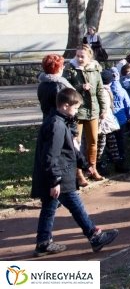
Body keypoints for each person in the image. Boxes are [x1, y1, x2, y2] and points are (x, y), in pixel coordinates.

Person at [30, 88, 119, 257]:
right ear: (65, 106)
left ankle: (43, 242)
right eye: (75, 108)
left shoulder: (60, 122)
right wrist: (54, 180)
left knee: (49, 207)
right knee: (76, 206)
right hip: (60, 175)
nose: (77, 111)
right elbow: (50, 156)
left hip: (58, 173)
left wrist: (85, 164)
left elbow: (69, 149)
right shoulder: (56, 125)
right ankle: (94, 235)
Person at [64, 44, 107, 183]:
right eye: (78, 56)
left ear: (89, 57)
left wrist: (104, 108)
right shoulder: (70, 69)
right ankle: (79, 174)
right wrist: (80, 87)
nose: (80, 58)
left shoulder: (95, 70)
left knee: (93, 142)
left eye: (83, 56)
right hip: (76, 111)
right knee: (75, 143)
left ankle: (92, 169)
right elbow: (65, 88)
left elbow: (100, 89)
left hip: (93, 111)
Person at [104, 68, 130, 173]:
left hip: (109, 119)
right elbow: (127, 103)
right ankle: (121, 156)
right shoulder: (122, 90)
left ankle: (109, 157)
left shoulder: (105, 90)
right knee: (120, 139)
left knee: (109, 140)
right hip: (121, 120)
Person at [38, 54, 74, 120]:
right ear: (59, 68)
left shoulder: (42, 84)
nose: (63, 67)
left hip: (47, 119)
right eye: (62, 66)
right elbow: (65, 108)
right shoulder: (59, 85)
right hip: (59, 121)